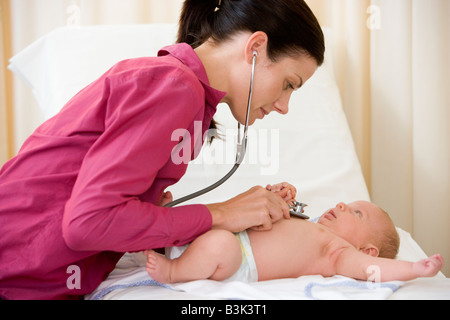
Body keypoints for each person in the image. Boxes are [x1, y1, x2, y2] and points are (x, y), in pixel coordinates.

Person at [0, 1, 324, 299]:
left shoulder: (183, 91)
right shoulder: (175, 87)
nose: (284, 106)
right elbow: (87, 223)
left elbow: (101, 211)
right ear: (255, 49)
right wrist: (222, 214)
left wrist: (154, 213)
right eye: (288, 84)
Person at [145, 183, 444, 283]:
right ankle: (160, 225)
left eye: (355, 212)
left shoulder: (337, 253)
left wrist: (414, 268)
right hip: (231, 229)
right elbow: (259, 211)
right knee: (208, 220)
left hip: (238, 258)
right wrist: (277, 194)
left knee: (220, 244)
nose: (341, 205)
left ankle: (173, 270)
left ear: (366, 250)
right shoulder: (307, 221)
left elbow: (374, 269)